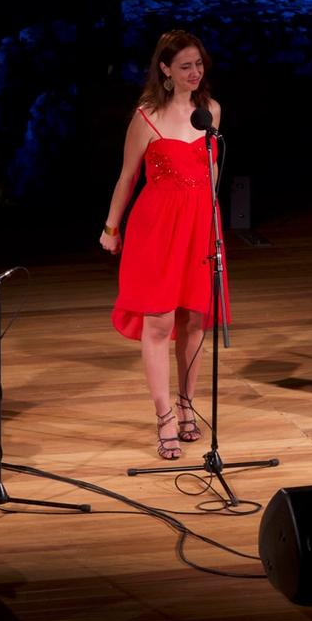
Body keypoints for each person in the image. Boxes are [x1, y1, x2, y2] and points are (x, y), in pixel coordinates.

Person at [99, 30, 229, 460]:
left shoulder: (210, 111)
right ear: (166, 70)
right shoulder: (147, 116)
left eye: (199, 64)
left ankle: (188, 404)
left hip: (199, 228)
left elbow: (210, 173)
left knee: (194, 320)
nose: (195, 73)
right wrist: (111, 228)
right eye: (186, 66)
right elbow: (127, 177)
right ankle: (164, 417)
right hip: (157, 229)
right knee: (158, 324)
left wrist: (213, 226)